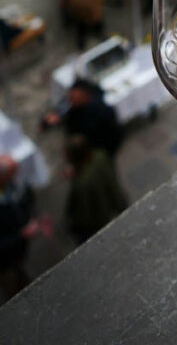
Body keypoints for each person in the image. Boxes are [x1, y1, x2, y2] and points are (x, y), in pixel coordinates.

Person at [0, 156, 51, 300]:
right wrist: (21, 236)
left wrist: (35, 216)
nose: (15, 180)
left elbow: (25, 198)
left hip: (17, 251)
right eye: (10, 177)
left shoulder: (12, 187)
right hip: (5, 263)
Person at [64, 135, 128, 244]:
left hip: (99, 219)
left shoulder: (81, 183)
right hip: (114, 202)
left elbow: (83, 216)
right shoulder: (100, 156)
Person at [42, 79, 123, 158]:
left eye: (74, 99)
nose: (71, 102)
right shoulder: (77, 105)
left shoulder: (98, 112)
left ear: (84, 96)